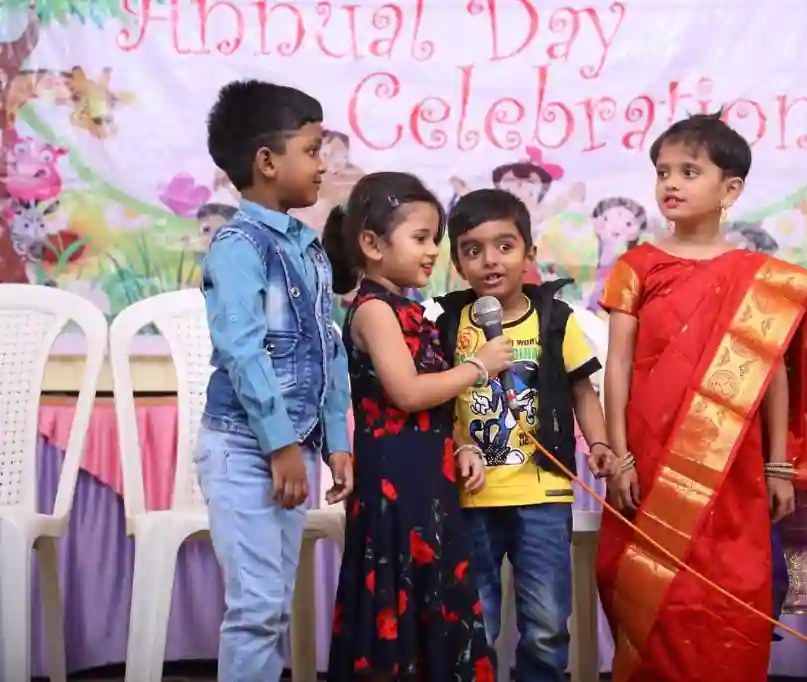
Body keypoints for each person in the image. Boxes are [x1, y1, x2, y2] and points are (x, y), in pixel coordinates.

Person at [596, 112, 807, 681]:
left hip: (733, 471)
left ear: (730, 189)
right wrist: (620, 456)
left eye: (689, 171)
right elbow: (618, 366)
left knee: (733, 590)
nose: (670, 184)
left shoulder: (760, 279)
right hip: (650, 463)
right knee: (653, 595)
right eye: (662, 172)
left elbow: (772, 376)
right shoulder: (637, 267)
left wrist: (778, 467)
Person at [195, 80, 353, 682]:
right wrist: (281, 443)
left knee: (274, 608)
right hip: (245, 449)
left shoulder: (308, 250)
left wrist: (336, 441)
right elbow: (242, 352)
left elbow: (327, 348)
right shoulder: (238, 247)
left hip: (291, 450)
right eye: (312, 151)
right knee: (257, 610)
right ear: (267, 162)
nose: (322, 165)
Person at [321, 172, 502, 681]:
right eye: (420, 238)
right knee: (397, 597)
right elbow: (407, 393)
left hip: (430, 483)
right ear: (372, 244)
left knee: (437, 595)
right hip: (395, 490)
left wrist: (462, 445)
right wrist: (479, 367)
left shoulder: (409, 310)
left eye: (434, 240)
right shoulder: (375, 311)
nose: (432, 251)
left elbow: (436, 404)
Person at [434, 188, 616, 682]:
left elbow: (582, 391)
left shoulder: (555, 320)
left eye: (504, 246)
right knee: (476, 619)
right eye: (473, 250)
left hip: (543, 495)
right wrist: (460, 445)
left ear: (529, 253)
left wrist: (599, 443)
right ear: (458, 263)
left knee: (546, 623)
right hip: (472, 496)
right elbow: (439, 400)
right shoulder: (448, 324)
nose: (490, 261)